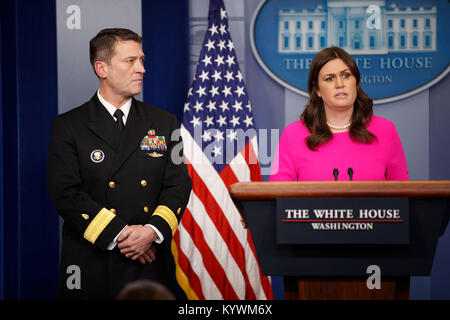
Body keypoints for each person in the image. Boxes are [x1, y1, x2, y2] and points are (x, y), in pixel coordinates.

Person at [47, 28, 192, 299]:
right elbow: (65, 192)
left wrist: (151, 231)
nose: (142, 69)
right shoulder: (68, 126)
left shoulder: (164, 122)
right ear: (101, 68)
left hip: (150, 263)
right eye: (130, 61)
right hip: (91, 264)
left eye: (142, 60)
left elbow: (179, 184)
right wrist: (123, 237)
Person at [270, 46, 409, 181]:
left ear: (356, 83)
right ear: (317, 89)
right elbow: (279, 197)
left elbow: (403, 195)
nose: (340, 84)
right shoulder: (293, 135)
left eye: (346, 75)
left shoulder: (385, 130)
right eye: (329, 78)